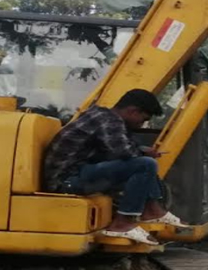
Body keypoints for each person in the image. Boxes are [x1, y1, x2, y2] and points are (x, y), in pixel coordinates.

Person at [41, 88, 187, 245]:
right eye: (143, 119)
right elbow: (124, 153)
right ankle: (123, 223)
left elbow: (116, 150)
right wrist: (143, 153)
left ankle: (153, 210)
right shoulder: (110, 121)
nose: (142, 124)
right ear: (133, 111)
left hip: (75, 173)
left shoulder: (101, 116)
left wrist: (142, 150)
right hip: (67, 181)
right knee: (145, 165)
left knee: (143, 167)